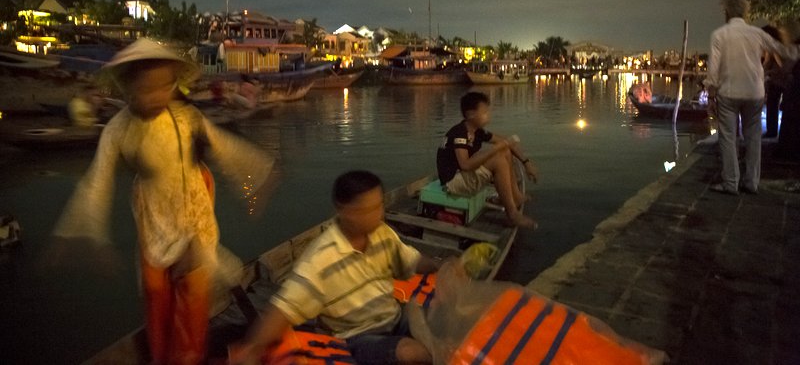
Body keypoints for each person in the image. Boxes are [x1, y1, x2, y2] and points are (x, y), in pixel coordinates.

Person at [50, 38, 275, 365]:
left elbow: (224, 147)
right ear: (128, 88)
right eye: (147, 89)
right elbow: (97, 181)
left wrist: (259, 179)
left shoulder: (185, 117)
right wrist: (85, 236)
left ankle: (188, 357)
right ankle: (161, 357)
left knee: (193, 290)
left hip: (192, 201)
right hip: (152, 210)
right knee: (155, 292)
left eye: (164, 87)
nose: (157, 96)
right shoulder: (117, 129)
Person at [229, 170, 439, 365]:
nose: (378, 215)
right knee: (411, 352)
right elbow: (284, 308)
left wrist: (442, 266)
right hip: (359, 336)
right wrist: (253, 348)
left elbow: (412, 261)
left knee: (443, 323)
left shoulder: (382, 233)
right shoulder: (320, 259)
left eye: (379, 206)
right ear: (343, 210)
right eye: (367, 210)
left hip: (394, 317)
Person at [705, 0, 798, 195]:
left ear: (727, 13)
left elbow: (713, 71)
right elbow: (786, 52)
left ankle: (731, 182)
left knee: (728, 138)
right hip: (754, 92)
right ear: (746, 13)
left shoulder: (719, 35)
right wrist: (789, 40)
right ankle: (751, 182)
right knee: (753, 138)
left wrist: (711, 96)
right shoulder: (757, 33)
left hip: (728, 92)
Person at [436, 91, 537, 228]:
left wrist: (526, 162)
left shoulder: (477, 131)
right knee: (498, 160)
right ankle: (512, 215)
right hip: (452, 182)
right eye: (484, 112)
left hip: (463, 174)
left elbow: (507, 142)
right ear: (471, 114)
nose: (488, 115)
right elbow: (465, 165)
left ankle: (516, 196)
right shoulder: (460, 133)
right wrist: (495, 149)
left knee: (505, 151)